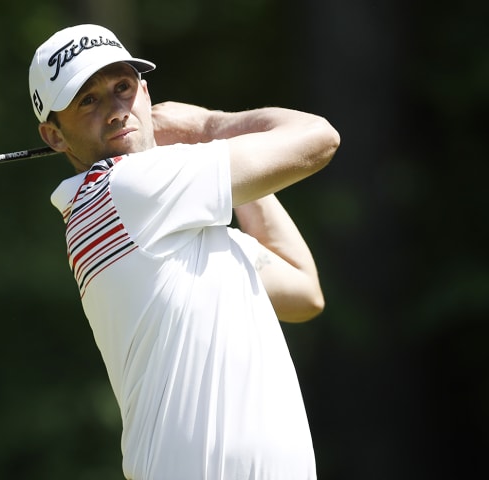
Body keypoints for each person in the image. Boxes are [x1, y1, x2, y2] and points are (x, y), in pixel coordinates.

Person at [28, 24, 340, 480]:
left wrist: (217, 160)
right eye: (87, 101)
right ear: (54, 137)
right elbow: (319, 137)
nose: (116, 111)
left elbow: (304, 292)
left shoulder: (175, 228)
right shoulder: (129, 189)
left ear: (146, 94)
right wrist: (207, 127)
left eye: (123, 88)